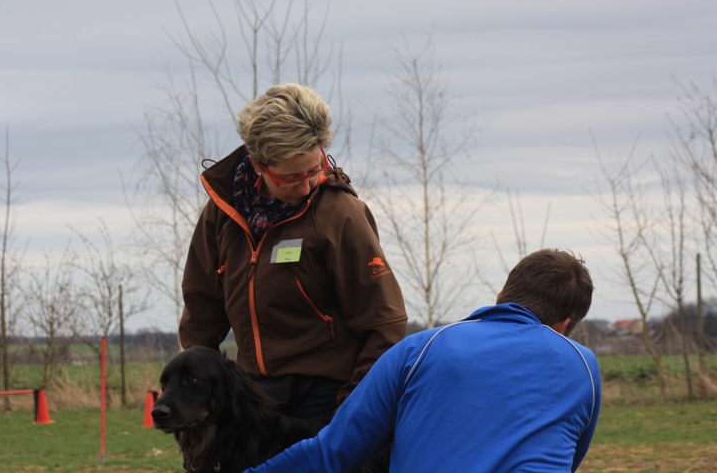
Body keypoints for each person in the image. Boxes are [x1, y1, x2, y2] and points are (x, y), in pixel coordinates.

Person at [243, 249, 601, 472]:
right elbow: (569, 458)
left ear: (500, 297)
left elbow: (332, 453)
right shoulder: (584, 367)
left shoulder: (420, 349)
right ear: (565, 325)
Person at [179, 83, 408, 419]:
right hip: (254, 397)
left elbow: (385, 324)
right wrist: (198, 395)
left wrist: (353, 409)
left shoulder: (341, 214)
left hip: (330, 397)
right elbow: (202, 309)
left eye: (314, 171)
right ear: (258, 164)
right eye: (290, 177)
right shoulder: (222, 214)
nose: (305, 187)